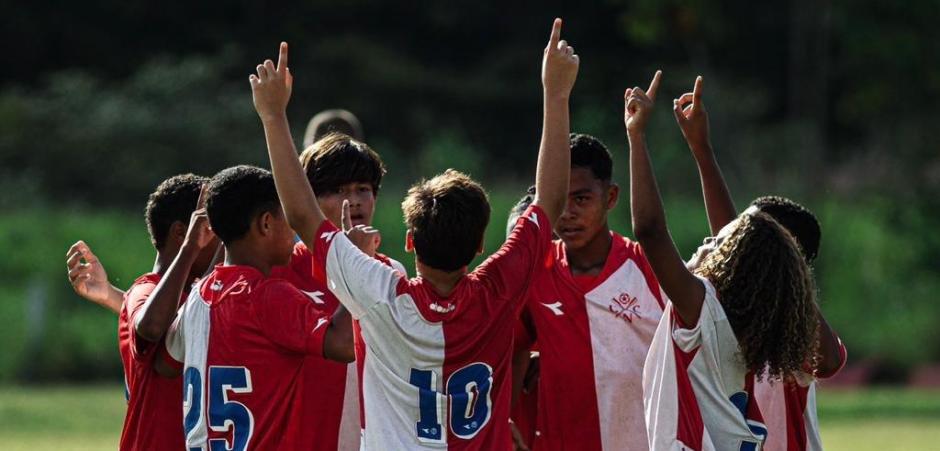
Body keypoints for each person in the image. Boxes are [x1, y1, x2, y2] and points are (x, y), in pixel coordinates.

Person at [249, 18, 577, 448]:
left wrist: (272, 115)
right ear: (480, 245)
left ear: (410, 241)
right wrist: (556, 94)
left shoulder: (381, 293)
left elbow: (302, 217)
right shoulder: (499, 290)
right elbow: (548, 204)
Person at [628, 71, 818, 450]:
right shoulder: (748, 324)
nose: (714, 237)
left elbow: (650, 230)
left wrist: (637, 137)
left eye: (725, 239)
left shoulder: (704, 314)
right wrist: (702, 149)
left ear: (732, 261)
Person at [671, 77, 847, 451]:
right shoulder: (735, 312)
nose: (741, 242)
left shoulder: (793, 324)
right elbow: (730, 240)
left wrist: (788, 276)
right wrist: (701, 150)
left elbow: (829, 361)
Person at [158, 165, 356, 450]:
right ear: (266, 224)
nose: (295, 233)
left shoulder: (198, 296)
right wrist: (353, 263)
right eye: (288, 221)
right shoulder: (267, 295)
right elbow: (344, 344)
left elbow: (166, 364)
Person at [510, 133, 665, 451]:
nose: (566, 213)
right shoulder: (534, 271)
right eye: (558, 200)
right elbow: (510, 350)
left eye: (581, 199)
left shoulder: (648, 269)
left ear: (610, 198)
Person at [67, 174, 219, 450]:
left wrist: (112, 296)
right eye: (213, 231)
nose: (221, 242)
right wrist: (192, 248)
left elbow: (182, 314)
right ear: (181, 233)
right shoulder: (146, 291)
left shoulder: (177, 295)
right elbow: (150, 326)